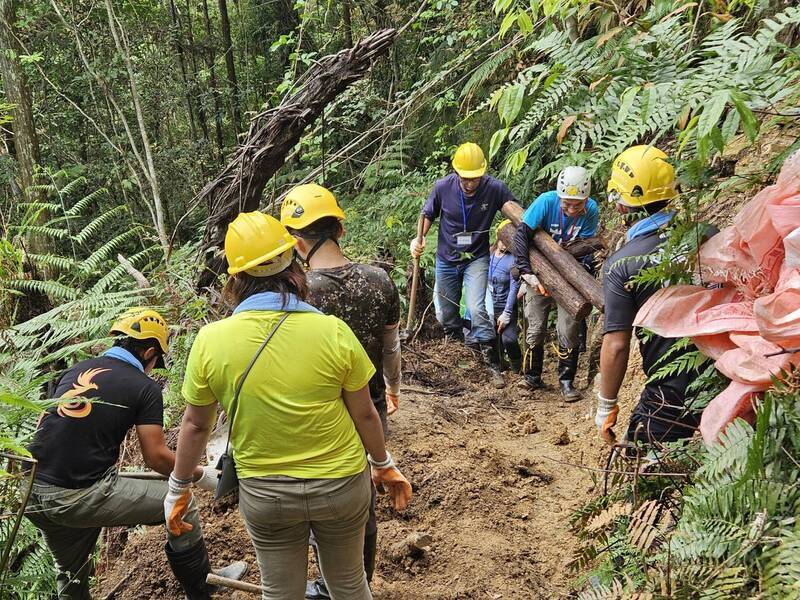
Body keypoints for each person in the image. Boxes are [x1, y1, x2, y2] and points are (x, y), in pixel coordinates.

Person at [168, 212, 412, 600]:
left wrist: (178, 488)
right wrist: (383, 465)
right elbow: (365, 412)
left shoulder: (211, 341)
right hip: (341, 485)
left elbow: (196, 426)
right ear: (294, 265)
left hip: (266, 494)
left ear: (235, 279)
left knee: (279, 591)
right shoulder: (331, 331)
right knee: (349, 584)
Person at [25, 309, 243, 600]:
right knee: (182, 502)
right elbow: (156, 458)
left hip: (32, 493)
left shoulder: (78, 368)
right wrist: (201, 475)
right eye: (156, 361)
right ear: (150, 351)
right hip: (78, 495)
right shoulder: (143, 387)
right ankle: (202, 586)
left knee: (72, 573)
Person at [279, 183, 402, 599]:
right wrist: (393, 387)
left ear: (297, 242)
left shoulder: (299, 293)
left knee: (318, 493)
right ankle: (357, 582)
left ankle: (329, 583)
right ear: (341, 231)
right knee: (362, 496)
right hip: (370, 403)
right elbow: (391, 347)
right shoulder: (380, 280)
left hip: (320, 409)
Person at [594, 145, 701, 446]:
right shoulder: (705, 235)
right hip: (727, 375)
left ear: (621, 204)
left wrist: (606, 405)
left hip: (671, 387)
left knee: (643, 470)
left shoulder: (623, 264)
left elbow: (616, 345)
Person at [410, 142, 518, 387]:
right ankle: (458, 355)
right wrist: (419, 239)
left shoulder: (494, 189)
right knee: (448, 312)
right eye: (465, 178)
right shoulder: (442, 188)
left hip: (477, 258)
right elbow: (427, 214)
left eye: (475, 179)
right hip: (446, 259)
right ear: (456, 173)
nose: (470, 183)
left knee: (476, 307)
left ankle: (492, 364)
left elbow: (515, 212)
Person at [512, 166, 599, 401]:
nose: (571, 210)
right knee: (535, 325)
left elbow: (586, 247)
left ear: (586, 199)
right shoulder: (546, 202)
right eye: (566, 204)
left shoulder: (591, 210)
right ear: (559, 197)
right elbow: (520, 236)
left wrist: (583, 273)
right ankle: (531, 376)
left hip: (568, 278)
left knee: (568, 327)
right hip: (538, 271)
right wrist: (526, 272)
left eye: (576, 205)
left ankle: (566, 380)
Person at [489, 220, 522, 373]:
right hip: (489, 305)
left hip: (506, 306)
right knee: (492, 341)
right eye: (503, 240)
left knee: (509, 339)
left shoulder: (513, 259)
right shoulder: (488, 255)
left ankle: (517, 368)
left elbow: (514, 287)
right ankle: (499, 367)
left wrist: (507, 312)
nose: (504, 244)